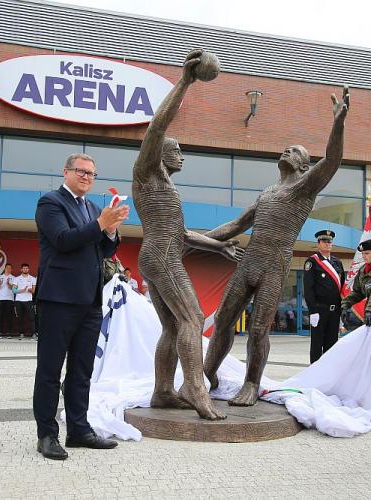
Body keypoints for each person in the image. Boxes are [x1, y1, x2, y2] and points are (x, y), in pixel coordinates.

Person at [203, 88, 350, 406]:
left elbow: (333, 160)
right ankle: (207, 376)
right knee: (223, 319)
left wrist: (338, 124)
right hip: (248, 263)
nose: (286, 152)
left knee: (258, 330)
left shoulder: (305, 186)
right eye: (285, 149)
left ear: (304, 166)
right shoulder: (268, 192)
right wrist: (190, 239)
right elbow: (234, 226)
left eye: (294, 151)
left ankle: (251, 384)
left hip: (274, 265)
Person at [133, 49, 241, 420]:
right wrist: (185, 81)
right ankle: (194, 387)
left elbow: (182, 235)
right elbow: (156, 128)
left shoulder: (167, 188)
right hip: (161, 256)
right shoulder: (147, 172)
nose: (182, 156)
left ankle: (163, 391)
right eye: (176, 151)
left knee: (171, 326)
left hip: (161, 251)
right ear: (158, 155)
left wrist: (220, 246)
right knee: (193, 319)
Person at [33, 152, 129, 460]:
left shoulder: (92, 207)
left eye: (92, 173)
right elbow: (62, 240)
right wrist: (101, 223)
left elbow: (104, 249)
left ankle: (79, 429)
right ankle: (47, 435)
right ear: (66, 172)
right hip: (59, 298)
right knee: (50, 370)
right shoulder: (50, 203)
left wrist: (111, 230)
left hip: (90, 300)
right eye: (81, 171)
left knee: (82, 371)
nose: (87, 177)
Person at [340, 239, 371, 364]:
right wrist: (345, 305)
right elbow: (357, 292)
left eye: (367, 253)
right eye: (362, 254)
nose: (364, 256)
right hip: (370, 319)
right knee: (368, 354)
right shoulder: (363, 270)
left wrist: (369, 312)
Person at [303, 230, 345, 363]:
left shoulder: (337, 263)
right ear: (318, 243)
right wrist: (313, 311)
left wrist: (342, 311)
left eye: (330, 241)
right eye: (324, 241)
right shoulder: (312, 262)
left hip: (335, 311)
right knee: (317, 345)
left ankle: (329, 375)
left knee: (332, 345)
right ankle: (314, 375)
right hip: (319, 310)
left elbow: (342, 288)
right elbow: (308, 289)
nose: (328, 244)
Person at [13, 263, 36, 339]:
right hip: (19, 300)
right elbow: (14, 290)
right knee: (20, 318)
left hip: (28, 300)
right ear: (21, 269)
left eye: (27, 268)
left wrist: (31, 290)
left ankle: (33, 334)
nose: (25, 269)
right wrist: (22, 290)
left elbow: (34, 291)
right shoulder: (17, 278)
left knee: (32, 317)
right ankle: (21, 334)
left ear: (28, 269)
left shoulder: (32, 278)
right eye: (24, 268)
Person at [0, 263, 15, 339]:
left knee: (9, 316)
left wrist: (9, 285)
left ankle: (9, 333)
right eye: (7, 268)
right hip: (0, 299)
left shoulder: (14, 278)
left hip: (10, 299)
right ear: (4, 268)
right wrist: (0, 284)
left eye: (10, 268)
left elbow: (15, 289)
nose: (8, 269)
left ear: (11, 269)